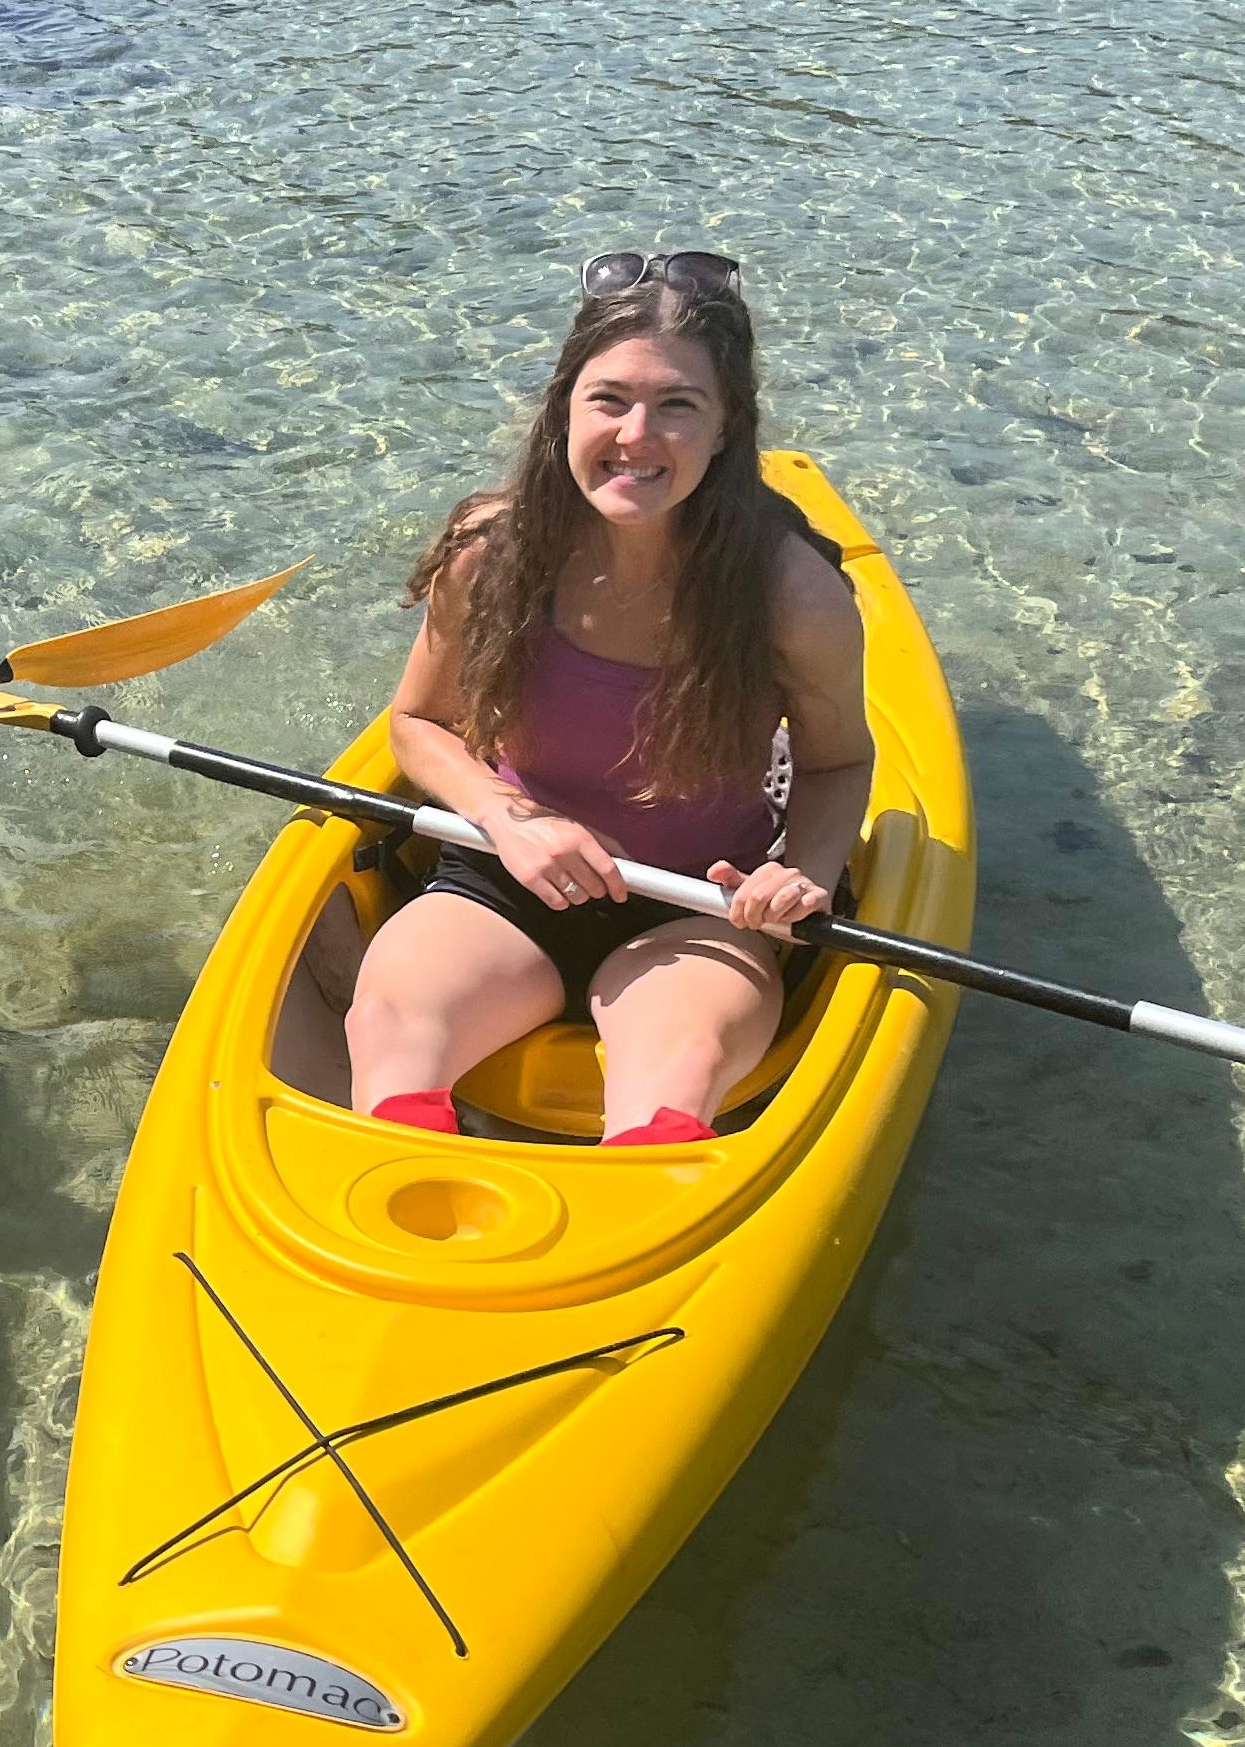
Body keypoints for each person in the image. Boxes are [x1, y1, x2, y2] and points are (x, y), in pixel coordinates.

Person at [330, 249, 871, 1145]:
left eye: (678, 406)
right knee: (387, 1027)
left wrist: (802, 873)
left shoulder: (792, 594)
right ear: (564, 409)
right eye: (610, 399)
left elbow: (840, 762)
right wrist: (509, 818)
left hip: (699, 904)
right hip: (507, 879)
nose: (636, 435)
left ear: (727, 430)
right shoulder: (490, 554)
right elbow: (418, 724)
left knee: (678, 1072)